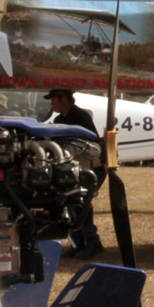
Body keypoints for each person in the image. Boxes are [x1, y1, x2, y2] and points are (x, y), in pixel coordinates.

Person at [42, 88, 102, 258]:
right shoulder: (60, 119)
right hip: (74, 167)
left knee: (81, 204)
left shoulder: (80, 117)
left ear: (64, 99)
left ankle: (92, 243)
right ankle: (78, 243)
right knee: (71, 202)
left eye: (54, 99)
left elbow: (88, 143)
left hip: (90, 167)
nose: (52, 103)